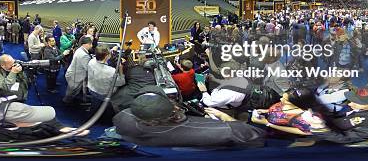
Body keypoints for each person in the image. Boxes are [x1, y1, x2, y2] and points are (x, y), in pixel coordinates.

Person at [112, 86, 266, 147]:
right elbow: (257, 135)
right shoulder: (229, 131)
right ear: (174, 112)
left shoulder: (121, 118)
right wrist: (225, 118)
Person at [303, 85, 368, 146]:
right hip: (339, 128)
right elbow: (344, 118)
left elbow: (347, 138)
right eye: (352, 99)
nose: (350, 104)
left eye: (358, 102)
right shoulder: (365, 105)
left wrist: (318, 127)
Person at [0, 102, 89, 142]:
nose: (38, 119)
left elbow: (57, 126)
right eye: (31, 118)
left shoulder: (46, 121)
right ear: (14, 123)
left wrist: (73, 131)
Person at [87, 45, 125, 112]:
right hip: (104, 94)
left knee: (94, 106)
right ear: (106, 56)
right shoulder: (111, 71)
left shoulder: (91, 62)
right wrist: (121, 70)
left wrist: (112, 51)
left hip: (92, 89)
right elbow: (122, 82)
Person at [63, 36, 93, 104]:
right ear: (86, 44)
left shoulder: (80, 49)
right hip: (75, 77)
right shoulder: (84, 55)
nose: (92, 45)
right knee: (71, 93)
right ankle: (67, 105)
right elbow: (88, 68)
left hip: (73, 75)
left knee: (72, 91)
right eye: (90, 44)